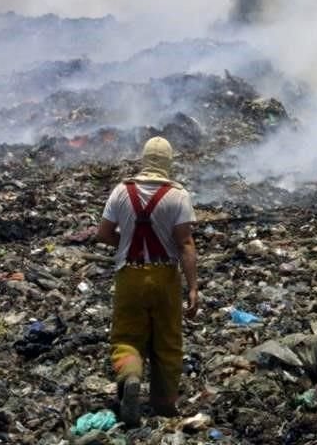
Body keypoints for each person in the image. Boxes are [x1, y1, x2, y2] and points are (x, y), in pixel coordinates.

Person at [94, 136, 197, 426]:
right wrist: (193, 287)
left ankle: (130, 377)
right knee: (168, 343)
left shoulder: (120, 191)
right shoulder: (178, 195)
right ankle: (164, 405)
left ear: (143, 160)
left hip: (130, 275)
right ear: (168, 163)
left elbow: (102, 234)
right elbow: (186, 244)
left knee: (126, 339)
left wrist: (125, 243)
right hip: (165, 278)